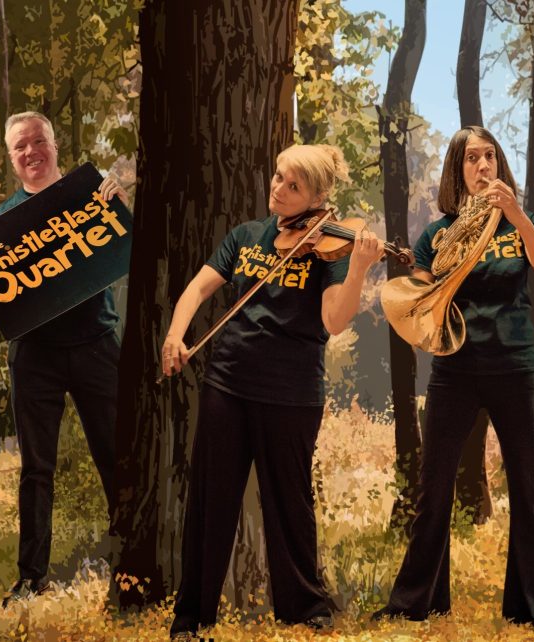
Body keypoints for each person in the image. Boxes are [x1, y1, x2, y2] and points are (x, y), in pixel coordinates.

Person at [163, 144, 383, 640]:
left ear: (318, 195)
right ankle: (191, 617)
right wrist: (176, 334)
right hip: (228, 383)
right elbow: (197, 290)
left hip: (291, 392)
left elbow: (333, 320)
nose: (278, 189)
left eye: (293, 186)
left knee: (290, 503)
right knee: (211, 500)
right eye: (279, 177)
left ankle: (306, 610)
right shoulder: (246, 236)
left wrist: (359, 270)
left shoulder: (330, 248)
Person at [371, 126, 534, 639]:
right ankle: (415, 602)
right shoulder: (437, 233)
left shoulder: (520, 223)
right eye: (471, 160)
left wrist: (519, 216)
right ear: (457, 171)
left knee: (529, 488)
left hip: (515, 364)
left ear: (500, 165)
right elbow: (417, 295)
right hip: (454, 369)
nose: (482, 166)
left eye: (490, 157)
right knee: (433, 487)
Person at [0, 111, 127, 606]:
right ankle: (31, 578)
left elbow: (121, 244)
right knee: (36, 469)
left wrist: (117, 202)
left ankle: (135, 564)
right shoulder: (2, 219)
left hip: (96, 343)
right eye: (20, 148)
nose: (31, 153)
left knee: (116, 459)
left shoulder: (91, 193)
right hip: (34, 355)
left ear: (54, 144)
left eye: (38, 142)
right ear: (11, 159)